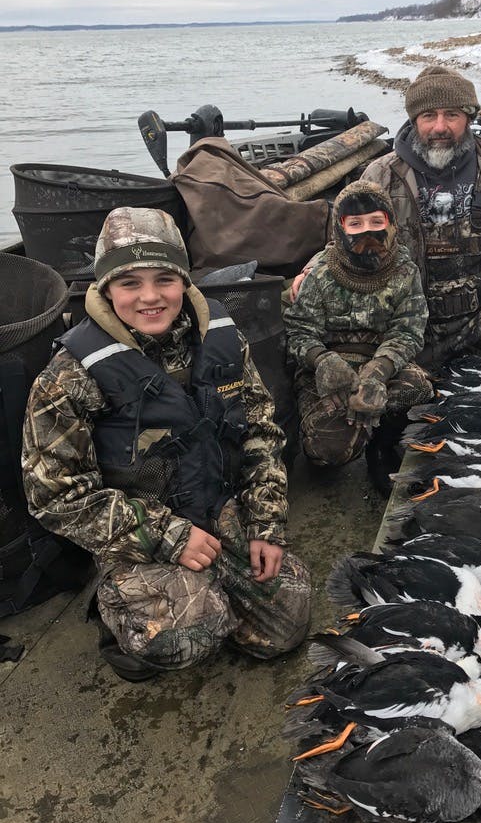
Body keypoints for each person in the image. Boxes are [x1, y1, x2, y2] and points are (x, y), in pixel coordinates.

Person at [22, 207, 311, 681]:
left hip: (217, 503)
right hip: (139, 524)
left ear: (184, 281)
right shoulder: (69, 375)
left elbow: (261, 432)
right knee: (184, 633)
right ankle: (121, 619)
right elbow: (53, 496)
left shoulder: (222, 336)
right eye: (129, 283)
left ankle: (211, 585)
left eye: (164, 279)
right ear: (106, 288)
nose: (150, 297)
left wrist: (266, 524)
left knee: (286, 624)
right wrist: (169, 537)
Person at [292, 66, 481, 375]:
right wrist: (312, 270)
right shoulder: (381, 175)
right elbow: (344, 239)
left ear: (469, 117)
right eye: (429, 116)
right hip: (405, 317)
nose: (440, 127)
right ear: (414, 120)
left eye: (452, 115)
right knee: (376, 380)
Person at [284, 180, 433, 471]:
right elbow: (299, 331)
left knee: (419, 390)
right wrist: (323, 360)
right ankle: (355, 425)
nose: (368, 230)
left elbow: (408, 331)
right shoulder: (321, 273)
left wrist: (378, 372)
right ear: (340, 229)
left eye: (377, 221)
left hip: (382, 363)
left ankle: (381, 434)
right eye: (355, 223)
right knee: (328, 451)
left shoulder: (405, 271)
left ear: (391, 224)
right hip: (329, 373)